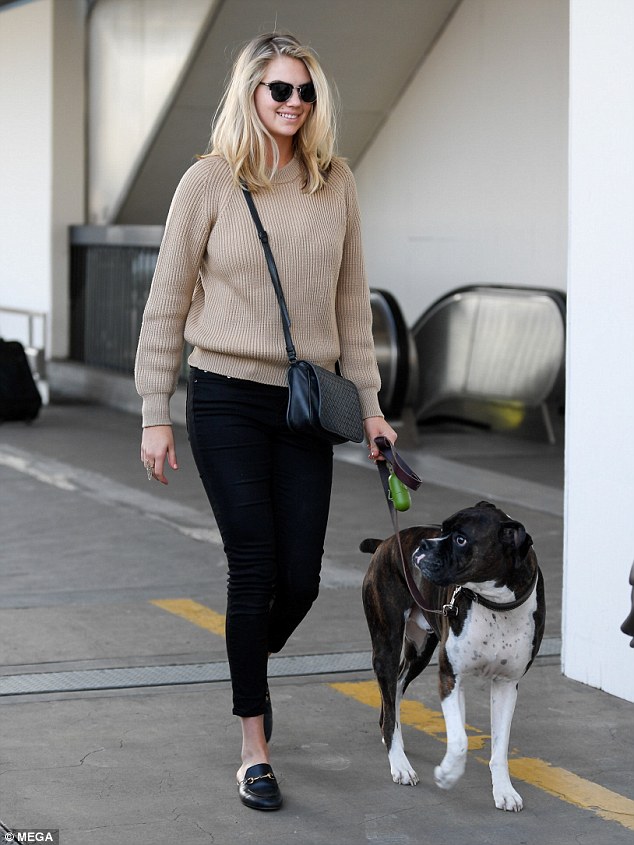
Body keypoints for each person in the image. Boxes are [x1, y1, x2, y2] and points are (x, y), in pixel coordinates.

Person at [134, 31, 397, 811]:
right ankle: (255, 746)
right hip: (224, 397)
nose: (293, 104)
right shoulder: (209, 181)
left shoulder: (335, 182)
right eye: (280, 90)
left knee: (303, 578)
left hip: (307, 402)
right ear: (251, 94)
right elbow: (167, 299)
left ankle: (246, 653)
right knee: (253, 569)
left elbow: (352, 308)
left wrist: (375, 409)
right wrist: (156, 411)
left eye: (306, 92)